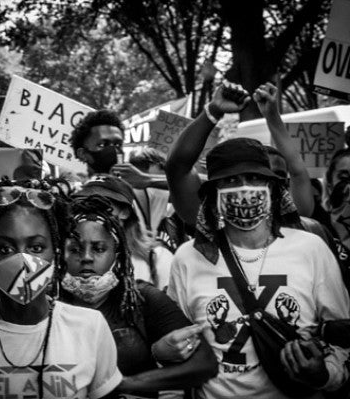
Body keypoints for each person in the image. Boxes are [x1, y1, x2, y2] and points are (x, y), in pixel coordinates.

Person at [166, 89, 350, 397]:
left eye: (255, 179)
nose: (244, 189)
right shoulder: (189, 256)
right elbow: (178, 347)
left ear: (273, 188)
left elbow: (342, 339)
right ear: (212, 195)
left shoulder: (310, 247)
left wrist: (322, 375)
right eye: (230, 182)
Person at [0, 178, 122, 398]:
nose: (22, 260)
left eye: (36, 247)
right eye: (5, 249)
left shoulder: (90, 327)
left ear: (56, 255)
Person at [61, 195, 218, 398]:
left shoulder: (142, 299)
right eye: (75, 249)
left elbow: (205, 364)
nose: (87, 257)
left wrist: (120, 384)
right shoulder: (48, 303)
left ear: (117, 256)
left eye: (99, 249)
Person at [73, 175, 173, 290]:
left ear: (124, 212)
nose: (92, 211)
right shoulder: (68, 255)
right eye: (85, 204)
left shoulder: (157, 257)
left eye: (102, 204)